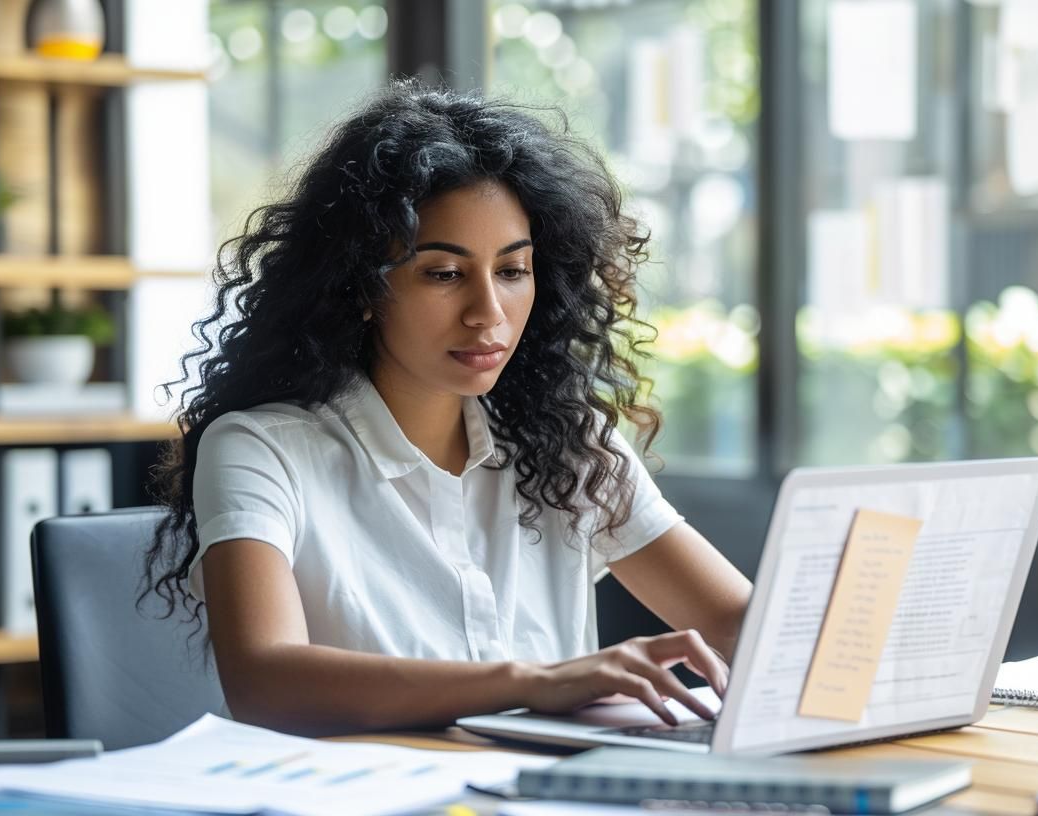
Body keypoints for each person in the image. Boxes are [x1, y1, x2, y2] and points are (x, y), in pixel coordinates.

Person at [143, 81, 753, 737]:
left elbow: (744, 625)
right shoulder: (260, 449)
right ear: (363, 288)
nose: (488, 312)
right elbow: (265, 681)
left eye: (513, 271)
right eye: (443, 273)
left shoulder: (568, 445)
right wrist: (534, 682)